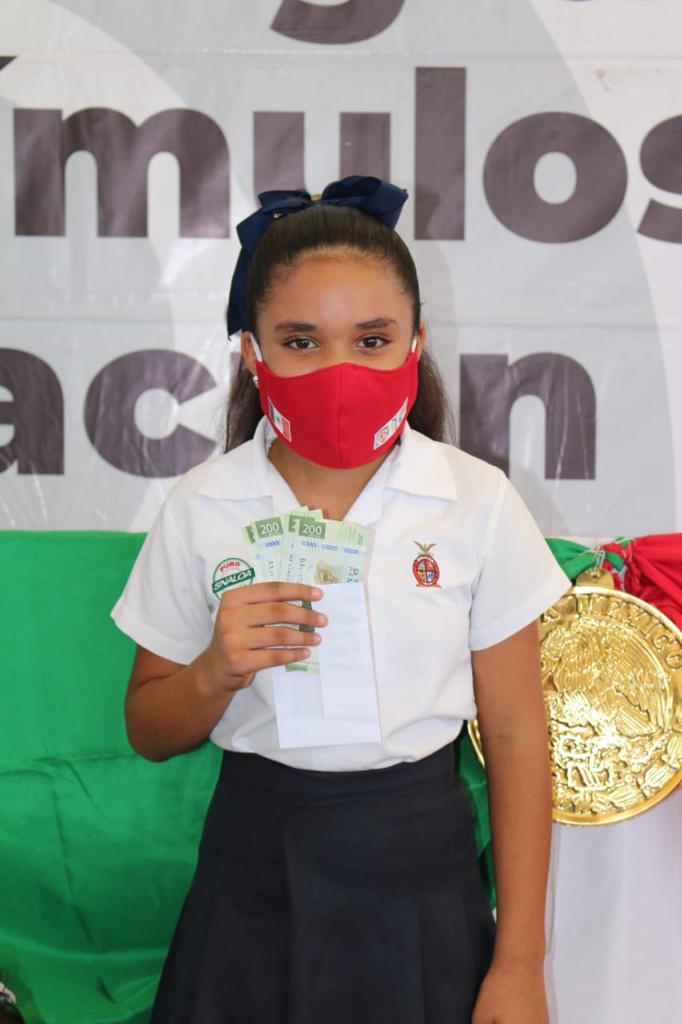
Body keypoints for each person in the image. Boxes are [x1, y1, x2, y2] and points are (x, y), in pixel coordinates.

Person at [112, 176, 571, 1024]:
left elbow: (515, 735)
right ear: (253, 353)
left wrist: (520, 963)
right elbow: (148, 727)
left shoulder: (475, 501)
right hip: (252, 882)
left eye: (371, 339)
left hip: (424, 885)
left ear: (415, 344)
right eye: (300, 341)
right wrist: (213, 672)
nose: (339, 370)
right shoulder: (205, 506)